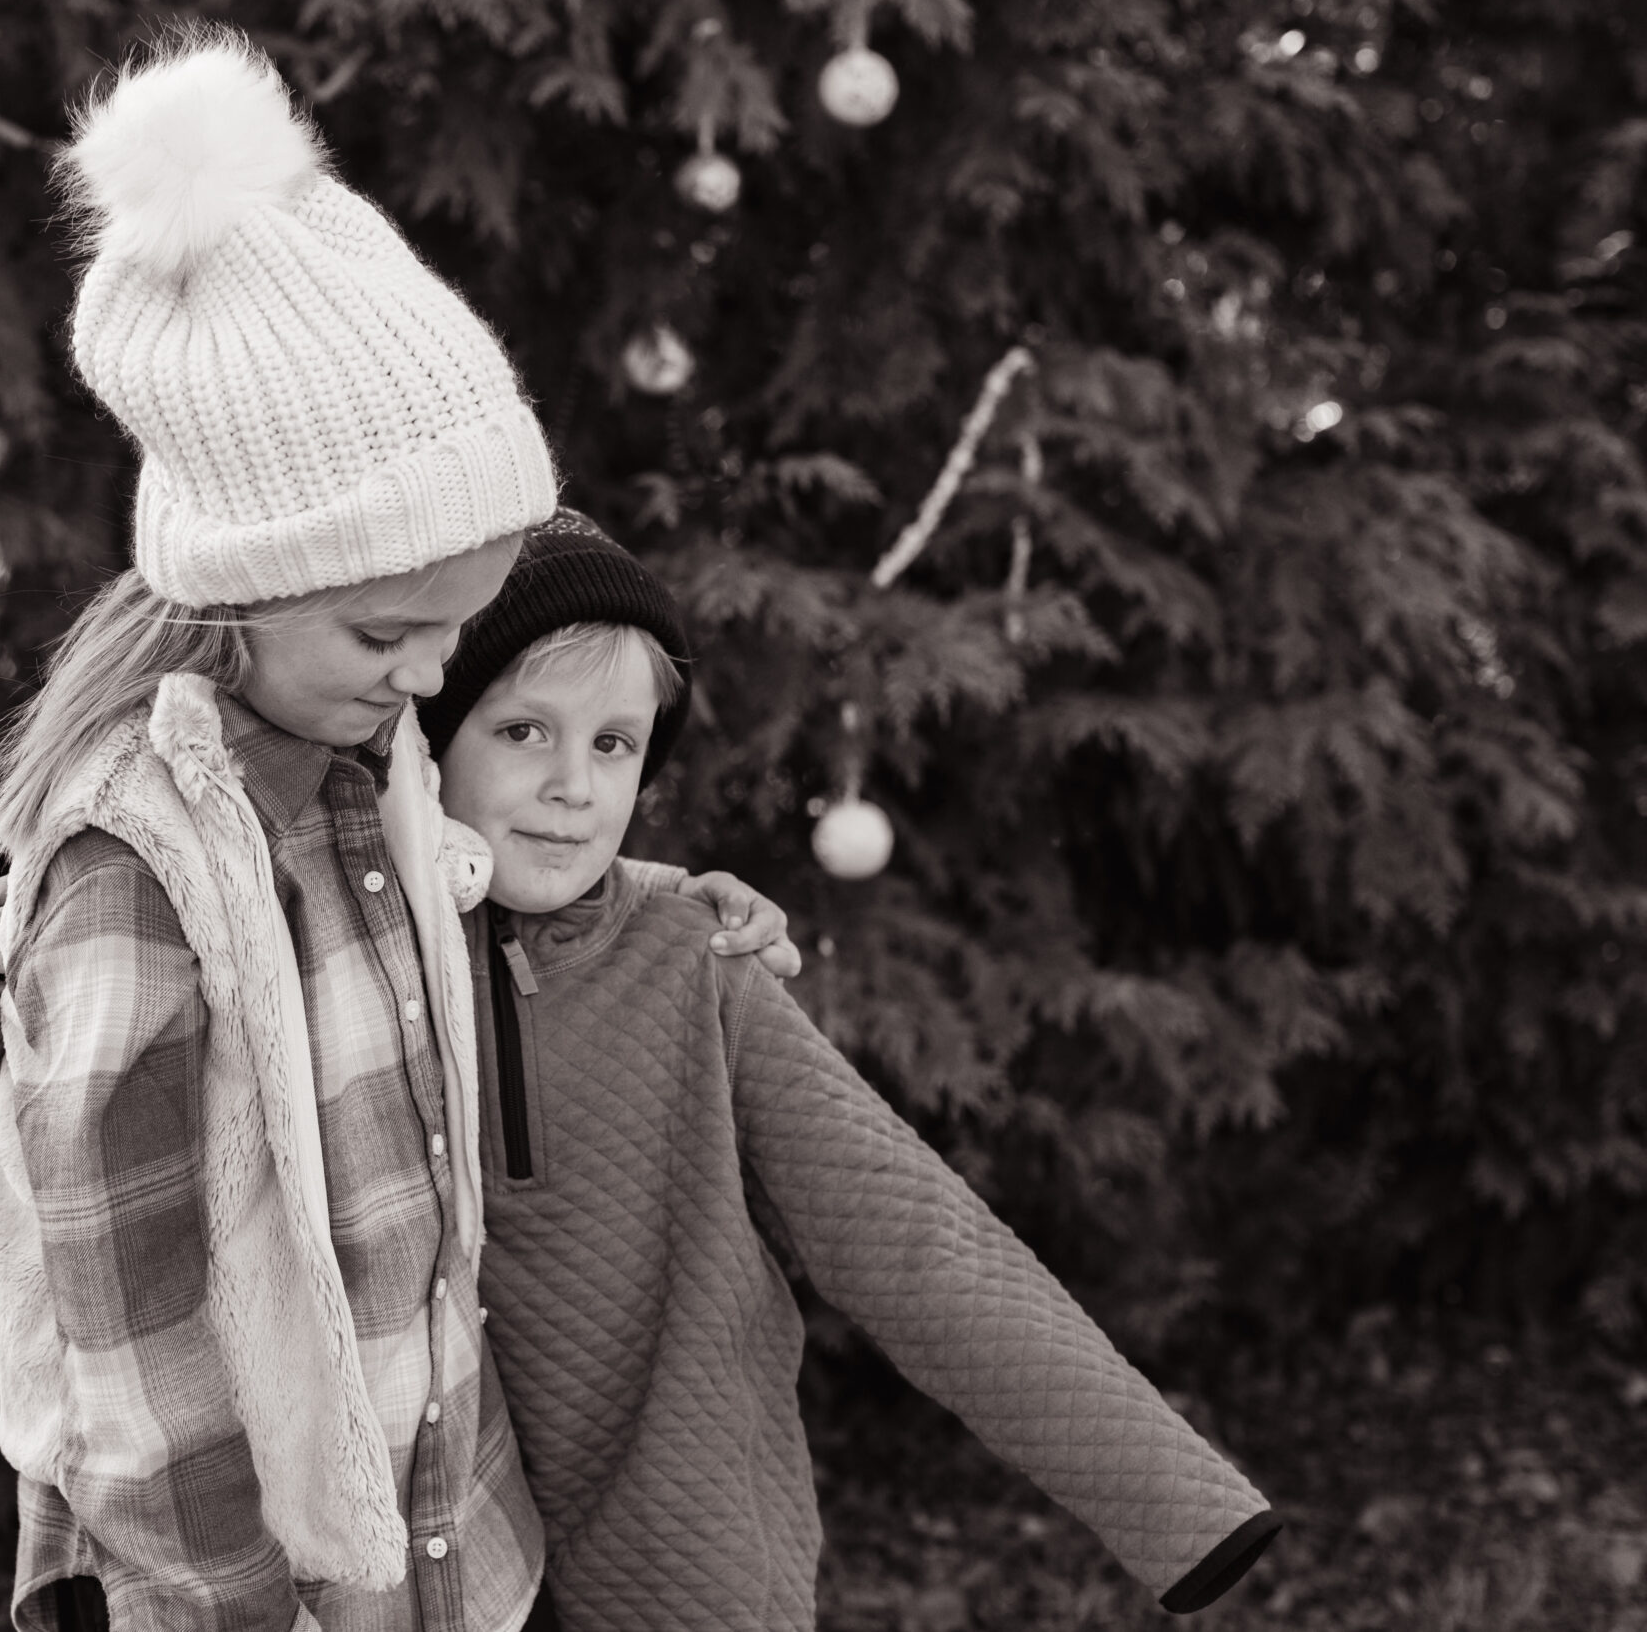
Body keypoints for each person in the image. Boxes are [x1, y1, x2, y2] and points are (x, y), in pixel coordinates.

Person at [0, 34, 795, 1632]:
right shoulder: (141, 872)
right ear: (242, 588)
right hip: (249, 1582)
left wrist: (678, 897)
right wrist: (233, 1602)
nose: (435, 678)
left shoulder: (361, 768)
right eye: (393, 632)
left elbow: (482, 883)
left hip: (449, 1542)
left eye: (456, 623)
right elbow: (123, 1316)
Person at [409, 509, 1285, 1629]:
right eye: (524, 731)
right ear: (429, 736)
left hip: (691, 1568)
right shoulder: (353, 960)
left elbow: (910, 1237)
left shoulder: (699, 965)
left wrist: (1172, 1498)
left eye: (614, 744)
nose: (575, 786)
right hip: (430, 1574)